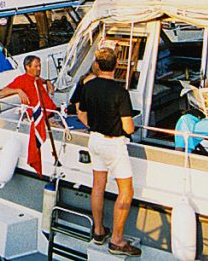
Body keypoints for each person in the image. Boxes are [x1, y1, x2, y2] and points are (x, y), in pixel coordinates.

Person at [76, 48, 140, 257]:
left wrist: (93, 125)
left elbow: (81, 113)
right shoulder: (120, 92)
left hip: (94, 140)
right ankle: (117, 240)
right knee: (126, 191)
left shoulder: (89, 86)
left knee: (98, 185)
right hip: (113, 144)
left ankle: (98, 231)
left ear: (97, 64)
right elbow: (129, 127)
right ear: (116, 66)